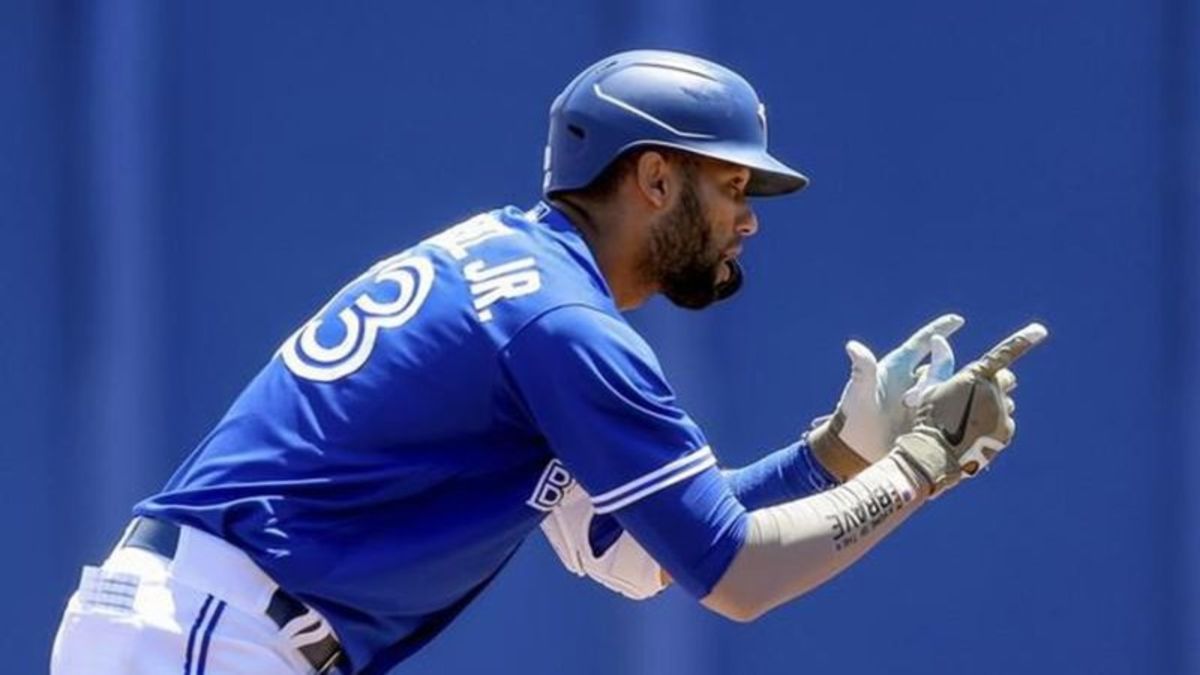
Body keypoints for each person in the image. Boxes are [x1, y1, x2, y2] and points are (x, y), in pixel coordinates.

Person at [50, 49, 1046, 675]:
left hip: (209, 626)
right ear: (656, 177)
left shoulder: (517, 278)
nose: (747, 217)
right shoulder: (560, 325)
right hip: (207, 635)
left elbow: (648, 555)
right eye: (733, 182)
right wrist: (919, 469)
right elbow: (738, 578)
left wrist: (837, 455)